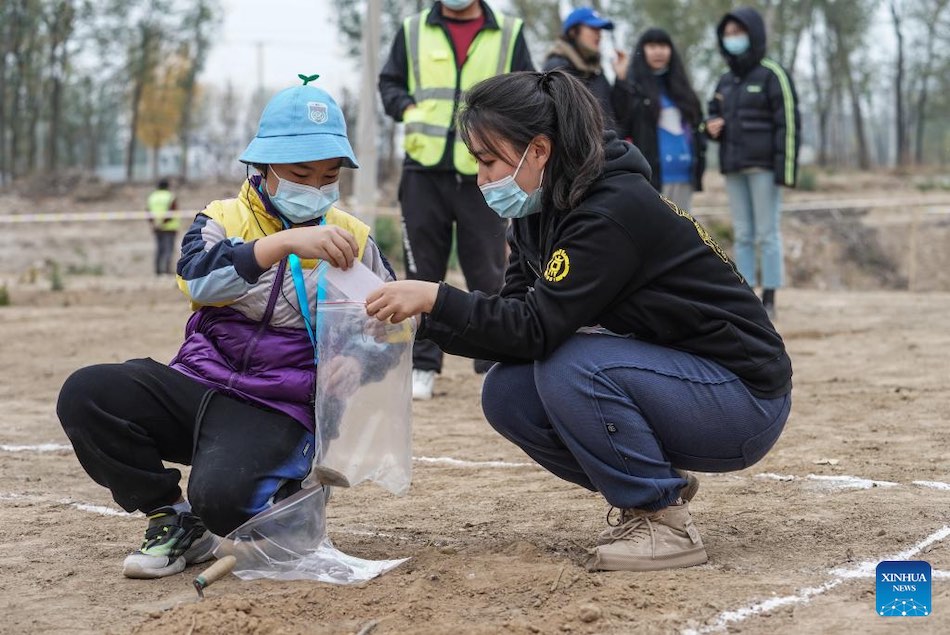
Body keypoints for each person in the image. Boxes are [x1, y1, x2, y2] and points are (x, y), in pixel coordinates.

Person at [365, 70, 792, 572]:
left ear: (539, 151)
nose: (480, 178)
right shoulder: (538, 209)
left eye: (488, 160)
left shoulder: (610, 212)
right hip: (681, 381)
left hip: (742, 401)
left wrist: (437, 298)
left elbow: (535, 329)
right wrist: (420, 320)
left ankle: (663, 522)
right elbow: (513, 323)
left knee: (570, 362)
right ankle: (651, 488)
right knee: (508, 393)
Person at [56, 77, 396, 579]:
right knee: (87, 392)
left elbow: (392, 330)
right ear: (263, 168)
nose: (317, 187)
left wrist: (358, 359)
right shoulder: (221, 219)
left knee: (223, 501)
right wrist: (281, 245)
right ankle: (173, 519)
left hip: (281, 406)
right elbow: (197, 281)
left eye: (329, 176)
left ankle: (290, 490)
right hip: (198, 384)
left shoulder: (354, 239)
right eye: (301, 173)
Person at [378, 0, 534, 400]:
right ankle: (424, 364)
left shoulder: (509, 32)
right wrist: (408, 107)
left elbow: (527, 89)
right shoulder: (412, 29)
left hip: (484, 168)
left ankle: (493, 359)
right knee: (421, 268)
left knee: (488, 267)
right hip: (423, 168)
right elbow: (389, 83)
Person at [706, 7, 800, 319]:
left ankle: (770, 295)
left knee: (767, 232)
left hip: (764, 168)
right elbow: (710, 116)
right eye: (728, 34)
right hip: (734, 166)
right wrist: (711, 126)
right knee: (743, 233)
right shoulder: (725, 81)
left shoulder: (773, 74)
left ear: (754, 34)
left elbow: (788, 123)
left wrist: (785, 171)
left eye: (739, 32)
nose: (733, 39)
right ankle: (746, 294)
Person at [615, 28, 705, 211]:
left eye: (663, 46)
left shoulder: (683, 90)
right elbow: (619, 122)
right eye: (652, 46)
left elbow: (698, 128)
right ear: (643, 50)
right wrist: (621, 81)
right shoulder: (634, 89)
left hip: (684, 177)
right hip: (651, 179)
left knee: (683, 234)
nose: (658, 51)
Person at [542, 6, 627, 130]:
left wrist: (620, 78)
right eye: (593, 28)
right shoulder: (557, 68)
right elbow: (568, 126)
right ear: (573, 32)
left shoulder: (595, 70)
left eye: (600, 30)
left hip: (610, 147)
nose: (599, 34)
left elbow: (617, 116)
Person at [147, 178, 179, 275]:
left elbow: (148, 212)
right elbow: (172, 211)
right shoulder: (170, 196)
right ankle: (167, 270)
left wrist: (154, 224)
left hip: (157, 228)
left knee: (159, 249)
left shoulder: (152, 197)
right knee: (168, 249)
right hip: (169, 227)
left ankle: (158, 271)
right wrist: (162, 223)